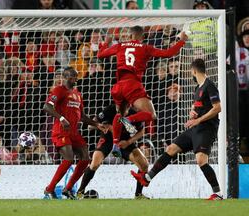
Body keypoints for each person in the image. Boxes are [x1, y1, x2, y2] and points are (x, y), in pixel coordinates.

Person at [131, 59, 223, 200]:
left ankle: (218, 193)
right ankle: (148, 178)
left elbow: (217, 108)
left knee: (201, 160)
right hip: (195, 127)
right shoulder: (198, 88)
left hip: (206, 129)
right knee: (171, 149)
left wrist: (198, 119)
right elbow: (197, 108)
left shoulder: (210, 86)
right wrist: (193, 113)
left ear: (193, 71)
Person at [97, 26, 187, 156]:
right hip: (133, 85)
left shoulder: (120, 46)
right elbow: (168, 54)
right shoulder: (145, 48)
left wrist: (106, 41)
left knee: (119, 115)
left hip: (117, 87)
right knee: (151, 115)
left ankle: (116, 144)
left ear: (130, 36)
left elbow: (100, 54)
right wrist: (182, 41)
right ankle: (129, 120)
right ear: (142, 37)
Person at [43, 67, 103, 199]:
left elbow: (82, 116)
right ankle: (49, 189)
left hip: (74, 132)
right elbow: (47, 106)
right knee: (69, 159)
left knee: (85, 159)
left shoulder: (77, 93)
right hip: (61, 131)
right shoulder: (59, 90)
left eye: (76, 76)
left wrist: (97, 124)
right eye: (72, 76)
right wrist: (62, 118)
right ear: (65, 77)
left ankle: (68, 188)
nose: (75, 79)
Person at [77, 104, 149, 199]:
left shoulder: (134, 114)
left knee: (144, 164)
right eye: (117, 107)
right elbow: (92, 125)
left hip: (123, 141)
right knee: (94, 164)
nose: (119, 109)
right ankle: (80, 192)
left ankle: (138, 195)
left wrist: (128, 142)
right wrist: (100, 126)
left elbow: (142, 131)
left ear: (128, 107)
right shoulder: (109, 110)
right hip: (108, 139)